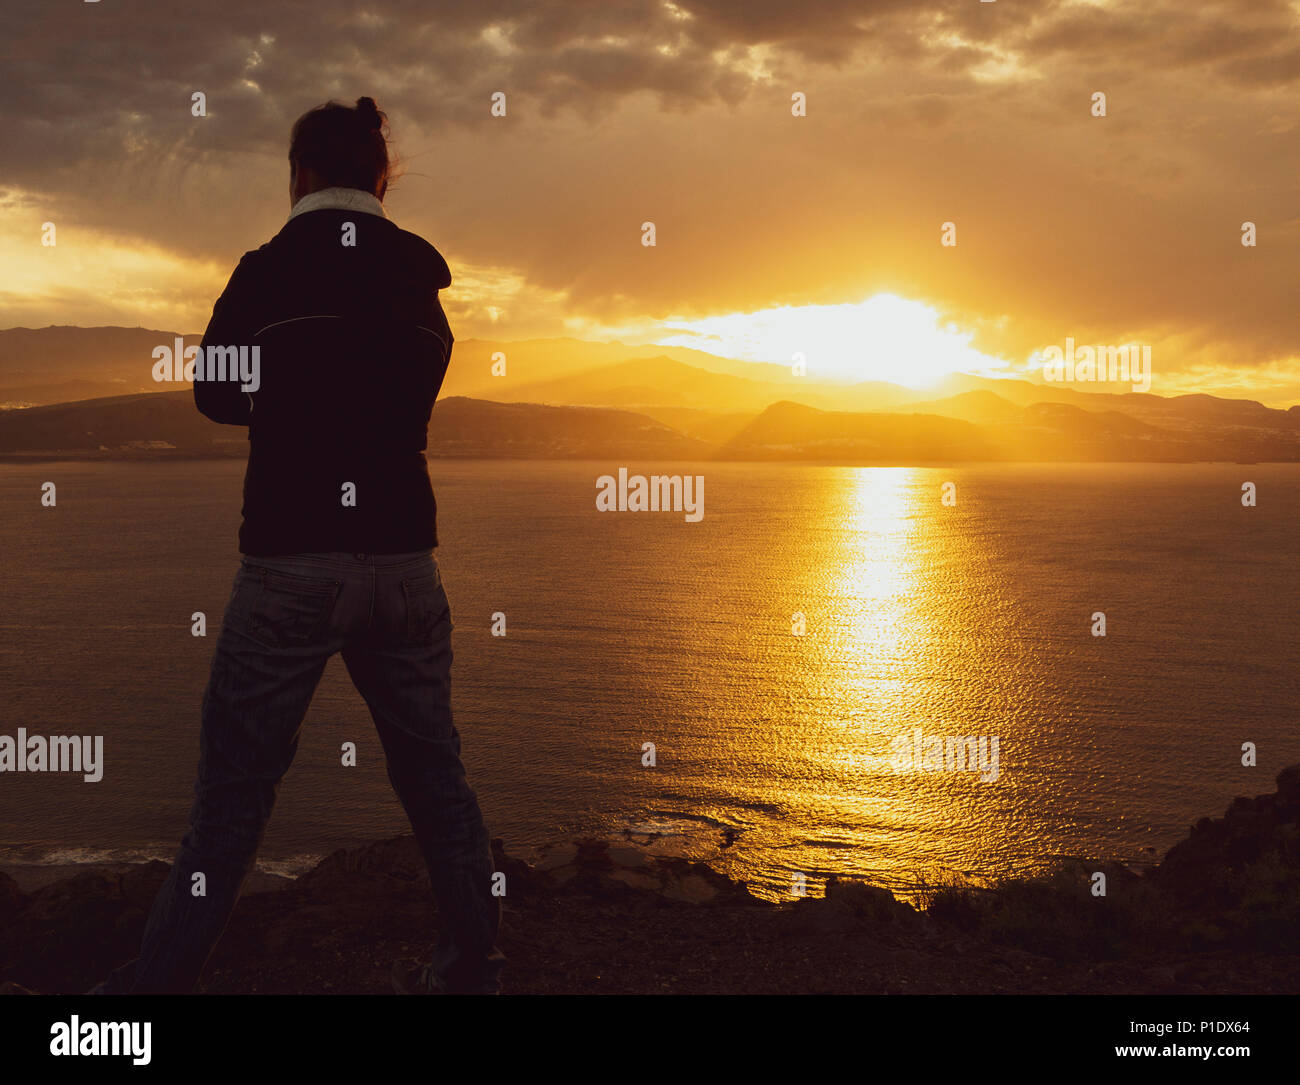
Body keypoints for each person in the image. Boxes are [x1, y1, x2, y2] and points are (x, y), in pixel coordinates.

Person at [91, 96, 504, 995]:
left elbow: (215, 393)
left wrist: (289, 400)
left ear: (300, 175)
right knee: (438, 785)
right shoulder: (419, 279)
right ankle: (471, 972)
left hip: (290, 563)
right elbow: (414, 391)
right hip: (404, 563)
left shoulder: (268, 271)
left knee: (230, 808)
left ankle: (146, 1002)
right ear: (381, 177)